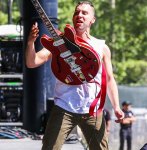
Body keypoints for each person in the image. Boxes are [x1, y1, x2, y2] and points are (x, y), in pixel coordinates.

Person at [26, 1, 124, 150]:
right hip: (64, 106)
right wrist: (30, 43)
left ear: (92, 19)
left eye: (84, 13)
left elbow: (110, 79)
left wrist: (116, 107)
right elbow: (31, 62)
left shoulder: (101, 47)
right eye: (77, 12)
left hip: (92, 108)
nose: (79, 15)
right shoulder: (59, 43)